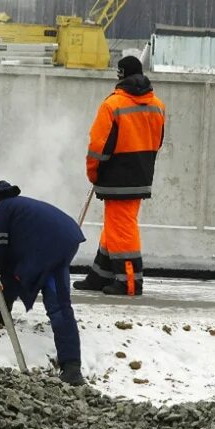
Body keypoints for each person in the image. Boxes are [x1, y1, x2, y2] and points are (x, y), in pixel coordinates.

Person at [0, 181, 86, 386]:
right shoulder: (7, 204)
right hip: (65, 237)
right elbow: (5, 264)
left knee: (57, 306)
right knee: (17, 270)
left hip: (49, 245)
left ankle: (72, 368)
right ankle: (1, 311)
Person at [74, 55, 165, 296]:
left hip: (116, 176)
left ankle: (129, 281)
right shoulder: (157, 105)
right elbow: (159, 141)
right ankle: (101, 275)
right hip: (141, 174)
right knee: (116, 224)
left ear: (120, 76)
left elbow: (98, 146)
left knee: (122, 227)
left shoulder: (112, 105)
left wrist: (93, 172)